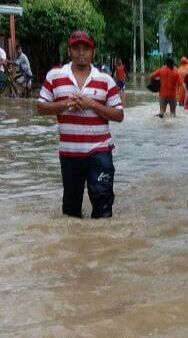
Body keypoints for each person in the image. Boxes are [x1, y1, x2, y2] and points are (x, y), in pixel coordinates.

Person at [37, 30, 124, 218]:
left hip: (99, 151)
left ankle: (101, 246)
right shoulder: (55, 76)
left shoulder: (105, 80)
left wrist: (91, 104)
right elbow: (41, 107)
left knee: (103, 206)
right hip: (69, 153)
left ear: (93, 52)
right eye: (76, 48)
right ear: (69, 51)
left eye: (86, 48)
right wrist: (66, 104)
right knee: (71, 210)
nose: (81, 52)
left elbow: (119, 115)